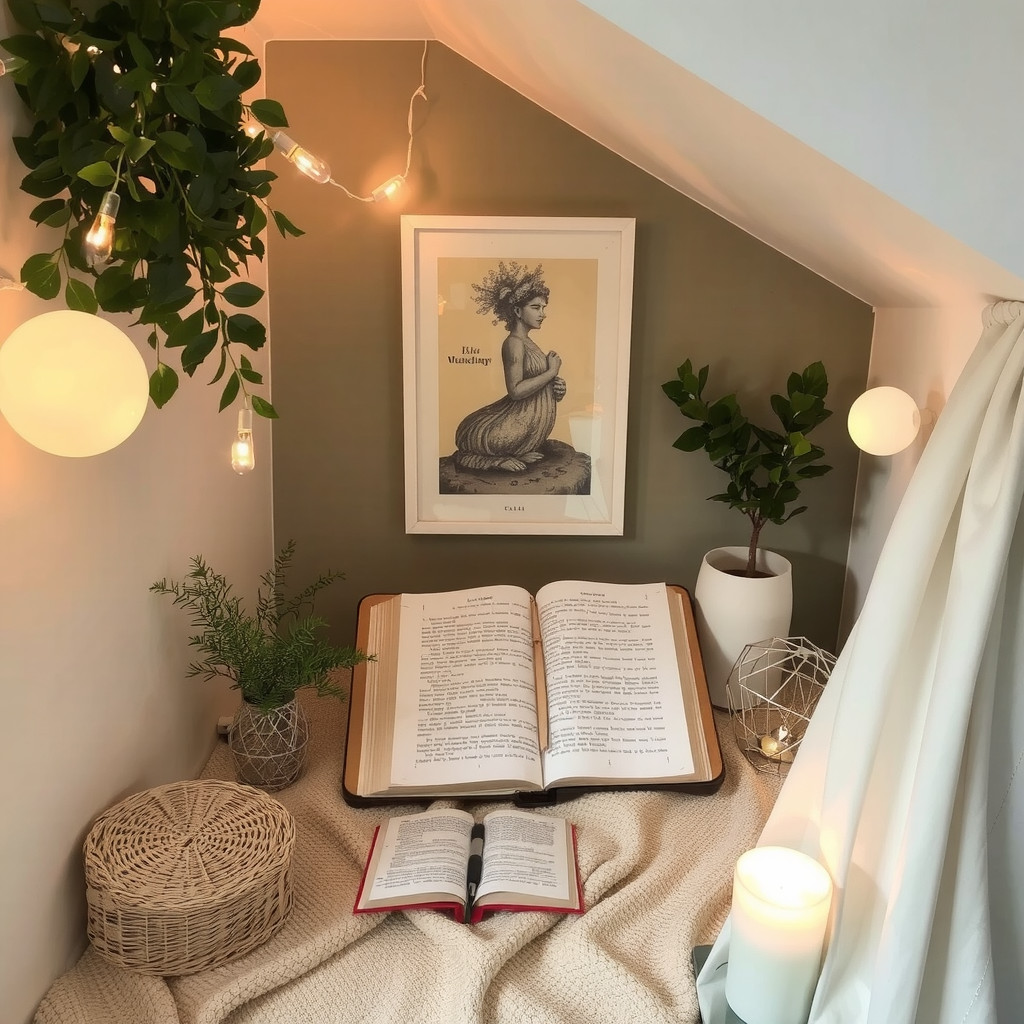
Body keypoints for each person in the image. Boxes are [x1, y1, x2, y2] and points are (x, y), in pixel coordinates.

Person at [453, 261, 567, 472]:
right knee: (492, 444)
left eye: (543, 308)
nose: (543, 313)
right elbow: (515, 391)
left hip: (527, 429)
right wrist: (551, 372)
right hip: (512, 422)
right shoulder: (513, 343)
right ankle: (494, 460)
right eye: (535, 307)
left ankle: (517, 451)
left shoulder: (529, 343)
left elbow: (535, 383)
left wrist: (556, 388)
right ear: (517, 310)